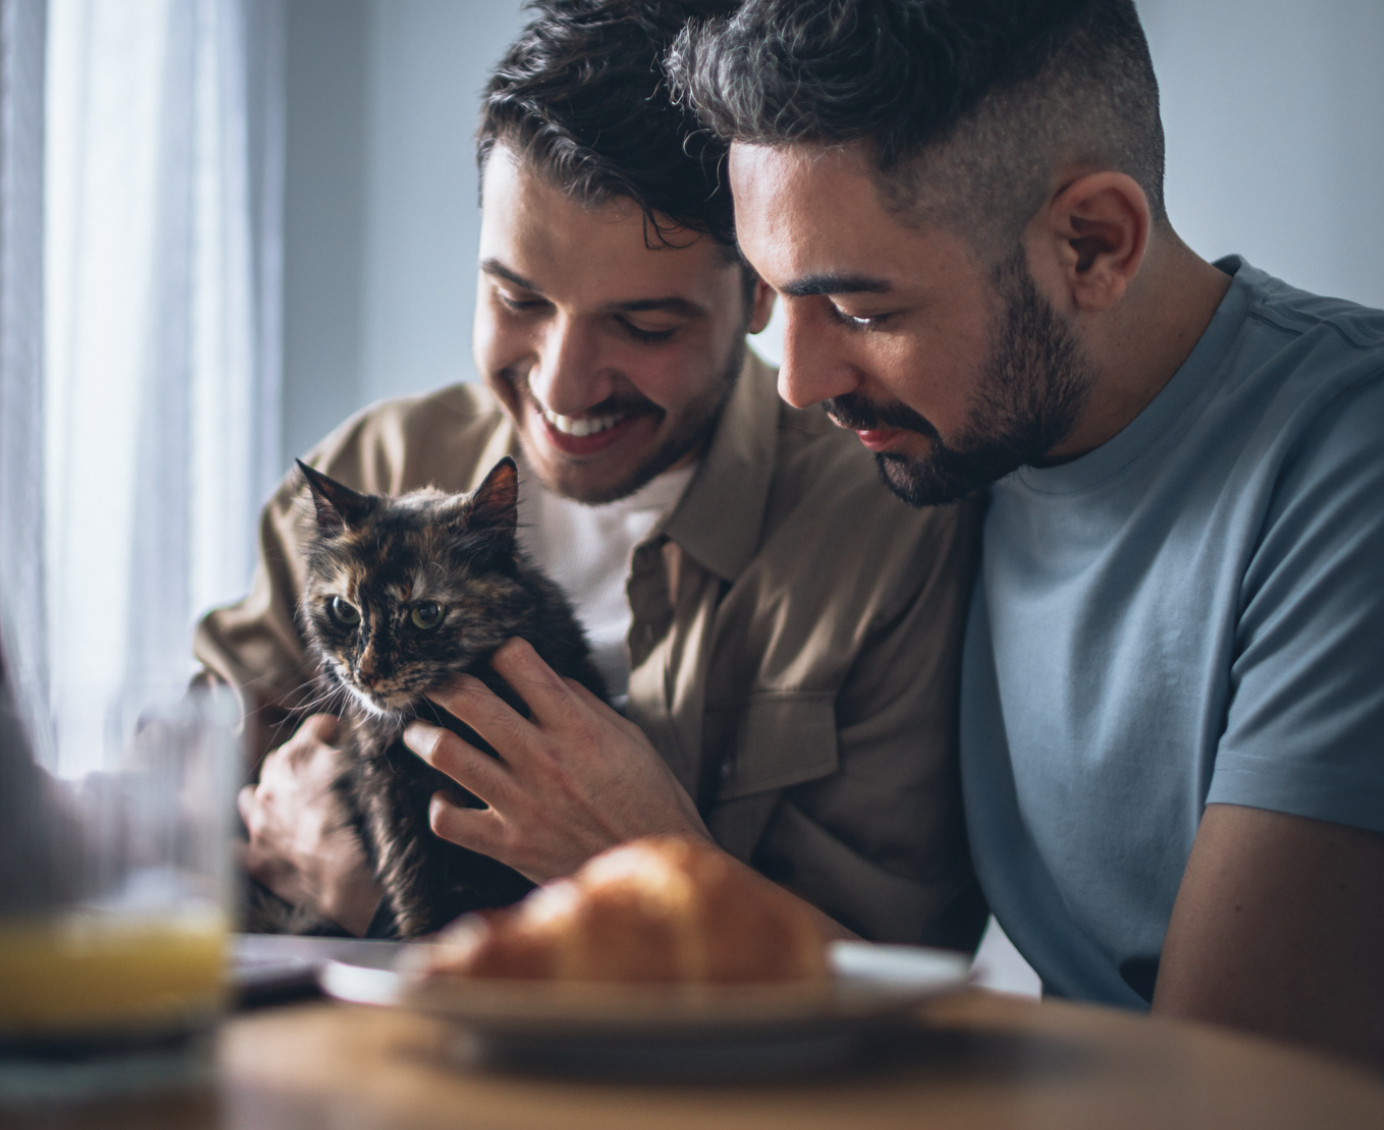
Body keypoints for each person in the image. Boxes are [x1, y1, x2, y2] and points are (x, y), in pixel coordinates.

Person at [668, 0, 1384, 1067]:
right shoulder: (954, 442)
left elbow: (1226, 1090)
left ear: (1093, 244)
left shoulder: (1350, 465)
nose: (799, 382)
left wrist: (660, 868)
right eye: (771, 298)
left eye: (860, 311)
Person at [198, 0, 985, 948]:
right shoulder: (366, 473)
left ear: (758, 293)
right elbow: (174, 793)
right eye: (516, 298)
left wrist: (639, 862)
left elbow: (895, 982)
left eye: (644, 326)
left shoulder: (889, 533)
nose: (562, 387)